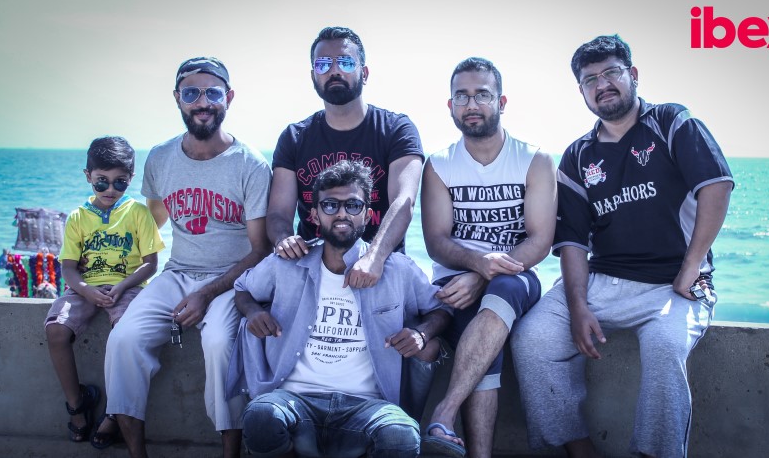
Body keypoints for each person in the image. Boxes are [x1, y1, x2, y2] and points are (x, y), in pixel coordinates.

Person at [511, 35, 734, 458]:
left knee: (665, 346)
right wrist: (578, 306)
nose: (602, 85)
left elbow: (716, 186)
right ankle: (578, 448)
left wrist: (691, 267)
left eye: (611, 72)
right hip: (603, 282)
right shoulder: (578, 155)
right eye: (590, 79)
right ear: (581, 91)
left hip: (674, 285)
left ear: (632, 75)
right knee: (532, 338)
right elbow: (572, 242)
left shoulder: (671, 121)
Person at [104, 57, 273, 458]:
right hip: (177, 274)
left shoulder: (250, 164)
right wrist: (119, 274)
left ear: (228, 98)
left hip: (232, 279)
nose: (202, 102)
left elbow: (260, 249)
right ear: (177, 99)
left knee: (218, 343)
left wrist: (206, 293)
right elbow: (153, 224)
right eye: (191, 92)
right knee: (123, 340)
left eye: (213, 92)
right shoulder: (161, 158)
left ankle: (230, 453)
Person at [229, 160, 449, 458]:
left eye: (353, 205)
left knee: (401, 436)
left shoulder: (398, 270)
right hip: (294, 400)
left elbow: (441, 309)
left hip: (367, 407)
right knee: (260, 417)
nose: (342, 213)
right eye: (330, 205)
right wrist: (253, 312)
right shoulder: (286, 264)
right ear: (314, 214)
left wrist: (421, 334)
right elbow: (243, 288)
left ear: (367, 215)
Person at [419, 57, 558, 458]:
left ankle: (444, 412)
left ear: (501, 102)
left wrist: (484, 273)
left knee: (504, 288)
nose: (472, 104)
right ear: (450, 106)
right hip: (455, 278)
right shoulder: (440, 165)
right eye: (462, 96)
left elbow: (540, 241)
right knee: (480, 341)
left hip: (517, 275)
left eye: (482, 94)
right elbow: (436, 242)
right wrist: (476, 265)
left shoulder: (534, 160)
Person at [268, 26, 424, 290]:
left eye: (346, 62)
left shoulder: (396, 130)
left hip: (381, 269)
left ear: (364, 73)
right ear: (313, 76)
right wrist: (284, 239)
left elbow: (404, 201)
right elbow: (278, 213)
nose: (334, 71)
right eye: (323, 64)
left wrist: (374, 257)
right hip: (313, 270)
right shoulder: (294, 137)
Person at [45, 136, 164, 448]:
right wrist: (86, 291)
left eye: (119, 182)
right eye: (101, 182)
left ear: (131, 179)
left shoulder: (138, 213)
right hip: (84, 288)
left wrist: (122, 286)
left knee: (126, 338)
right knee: (56, 330)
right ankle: (77, 405)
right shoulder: (77, 217)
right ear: (88, 176)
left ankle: (114, 411)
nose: (110, 189)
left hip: (128, 287)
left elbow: (150, 263)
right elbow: (68, 268)